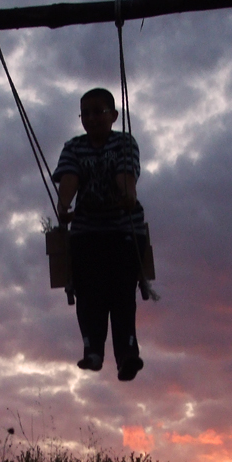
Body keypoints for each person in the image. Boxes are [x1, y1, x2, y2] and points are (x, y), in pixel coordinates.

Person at [52, 88, 146, 382]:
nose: (91, 118)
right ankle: (93, 350)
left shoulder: (124, 142)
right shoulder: (74, 147)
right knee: (89, 293)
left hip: (122, 229)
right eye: (86, 113)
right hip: (88, 230)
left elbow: (125, 175)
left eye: (98, 111)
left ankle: (127, 353)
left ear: (113, 116)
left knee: (121, 294)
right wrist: (64, 203)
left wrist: (127, 194)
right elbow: (70, 178)